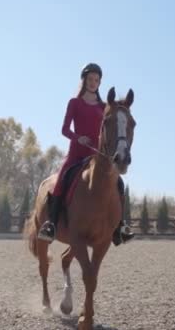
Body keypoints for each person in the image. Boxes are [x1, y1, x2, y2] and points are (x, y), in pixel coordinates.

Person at [37, 63, 135, 245]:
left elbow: (112, 127)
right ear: (84, 80)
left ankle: (120, 226)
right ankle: (50, 224)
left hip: (98, 155)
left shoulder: (105, 106)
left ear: (99, 83)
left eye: (96, 80)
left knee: (119, 183)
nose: (93, 82)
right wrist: (77, 137)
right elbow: (64, 129)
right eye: (90, 79)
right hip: (76, 153)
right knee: (61, 180)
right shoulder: (74, 103)